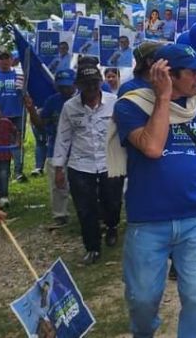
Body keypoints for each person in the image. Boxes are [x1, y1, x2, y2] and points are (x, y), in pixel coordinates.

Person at [111, 44, 196, 336]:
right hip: (149, 220)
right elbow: (152, 147)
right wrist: (164, 96)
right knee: (142, 299)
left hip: (195, 218)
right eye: (193, 73)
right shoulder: (131, 105)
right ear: (166, 73)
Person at [53, 67, 120, 264]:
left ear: (101, 83)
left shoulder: (114, 103)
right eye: (86, 84)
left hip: (110, 160)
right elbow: (63, 138)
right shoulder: (69, 107)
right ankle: (92, 247)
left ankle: (112, 226)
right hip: (80, 164)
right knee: (85, 208)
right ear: (78, 86)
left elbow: (123, 131)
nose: (91, 88)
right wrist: (58, 168)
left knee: (112, 201)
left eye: (94, 83)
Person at [26, 70, 75, 227]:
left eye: (68, 87)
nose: (65, 90)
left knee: (83, 184)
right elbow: (41, 124)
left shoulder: (82, 101)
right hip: (55, 147)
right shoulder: (52, 101)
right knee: (57, 184)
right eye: (61, 87)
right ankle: (60, 214)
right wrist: (31, 110)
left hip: (78, 149)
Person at [0, 50, 25, 183]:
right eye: (2, 58)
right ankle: (2, 171)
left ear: (12, 60)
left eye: (7, 58)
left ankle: (18, 172)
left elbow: (25, 94)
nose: (5, 61)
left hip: (16, 114)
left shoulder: (19, 76)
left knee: (16, 143)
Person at [0, 104, 18, 209]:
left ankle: (4, 196)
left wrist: (17, 142)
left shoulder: (6, 122)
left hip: (4, 156)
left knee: (3, 175)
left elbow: (16, 132)